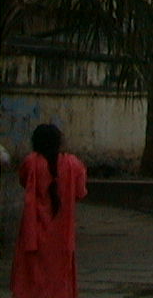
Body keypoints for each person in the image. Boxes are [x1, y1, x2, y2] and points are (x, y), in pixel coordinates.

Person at [10, 124, 88, 298]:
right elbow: (81, 192)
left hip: (34, 234)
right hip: (62, 236)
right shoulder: (73, 164)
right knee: (60, 283)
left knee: (31, 281)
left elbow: (23, 181)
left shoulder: (31, 163)